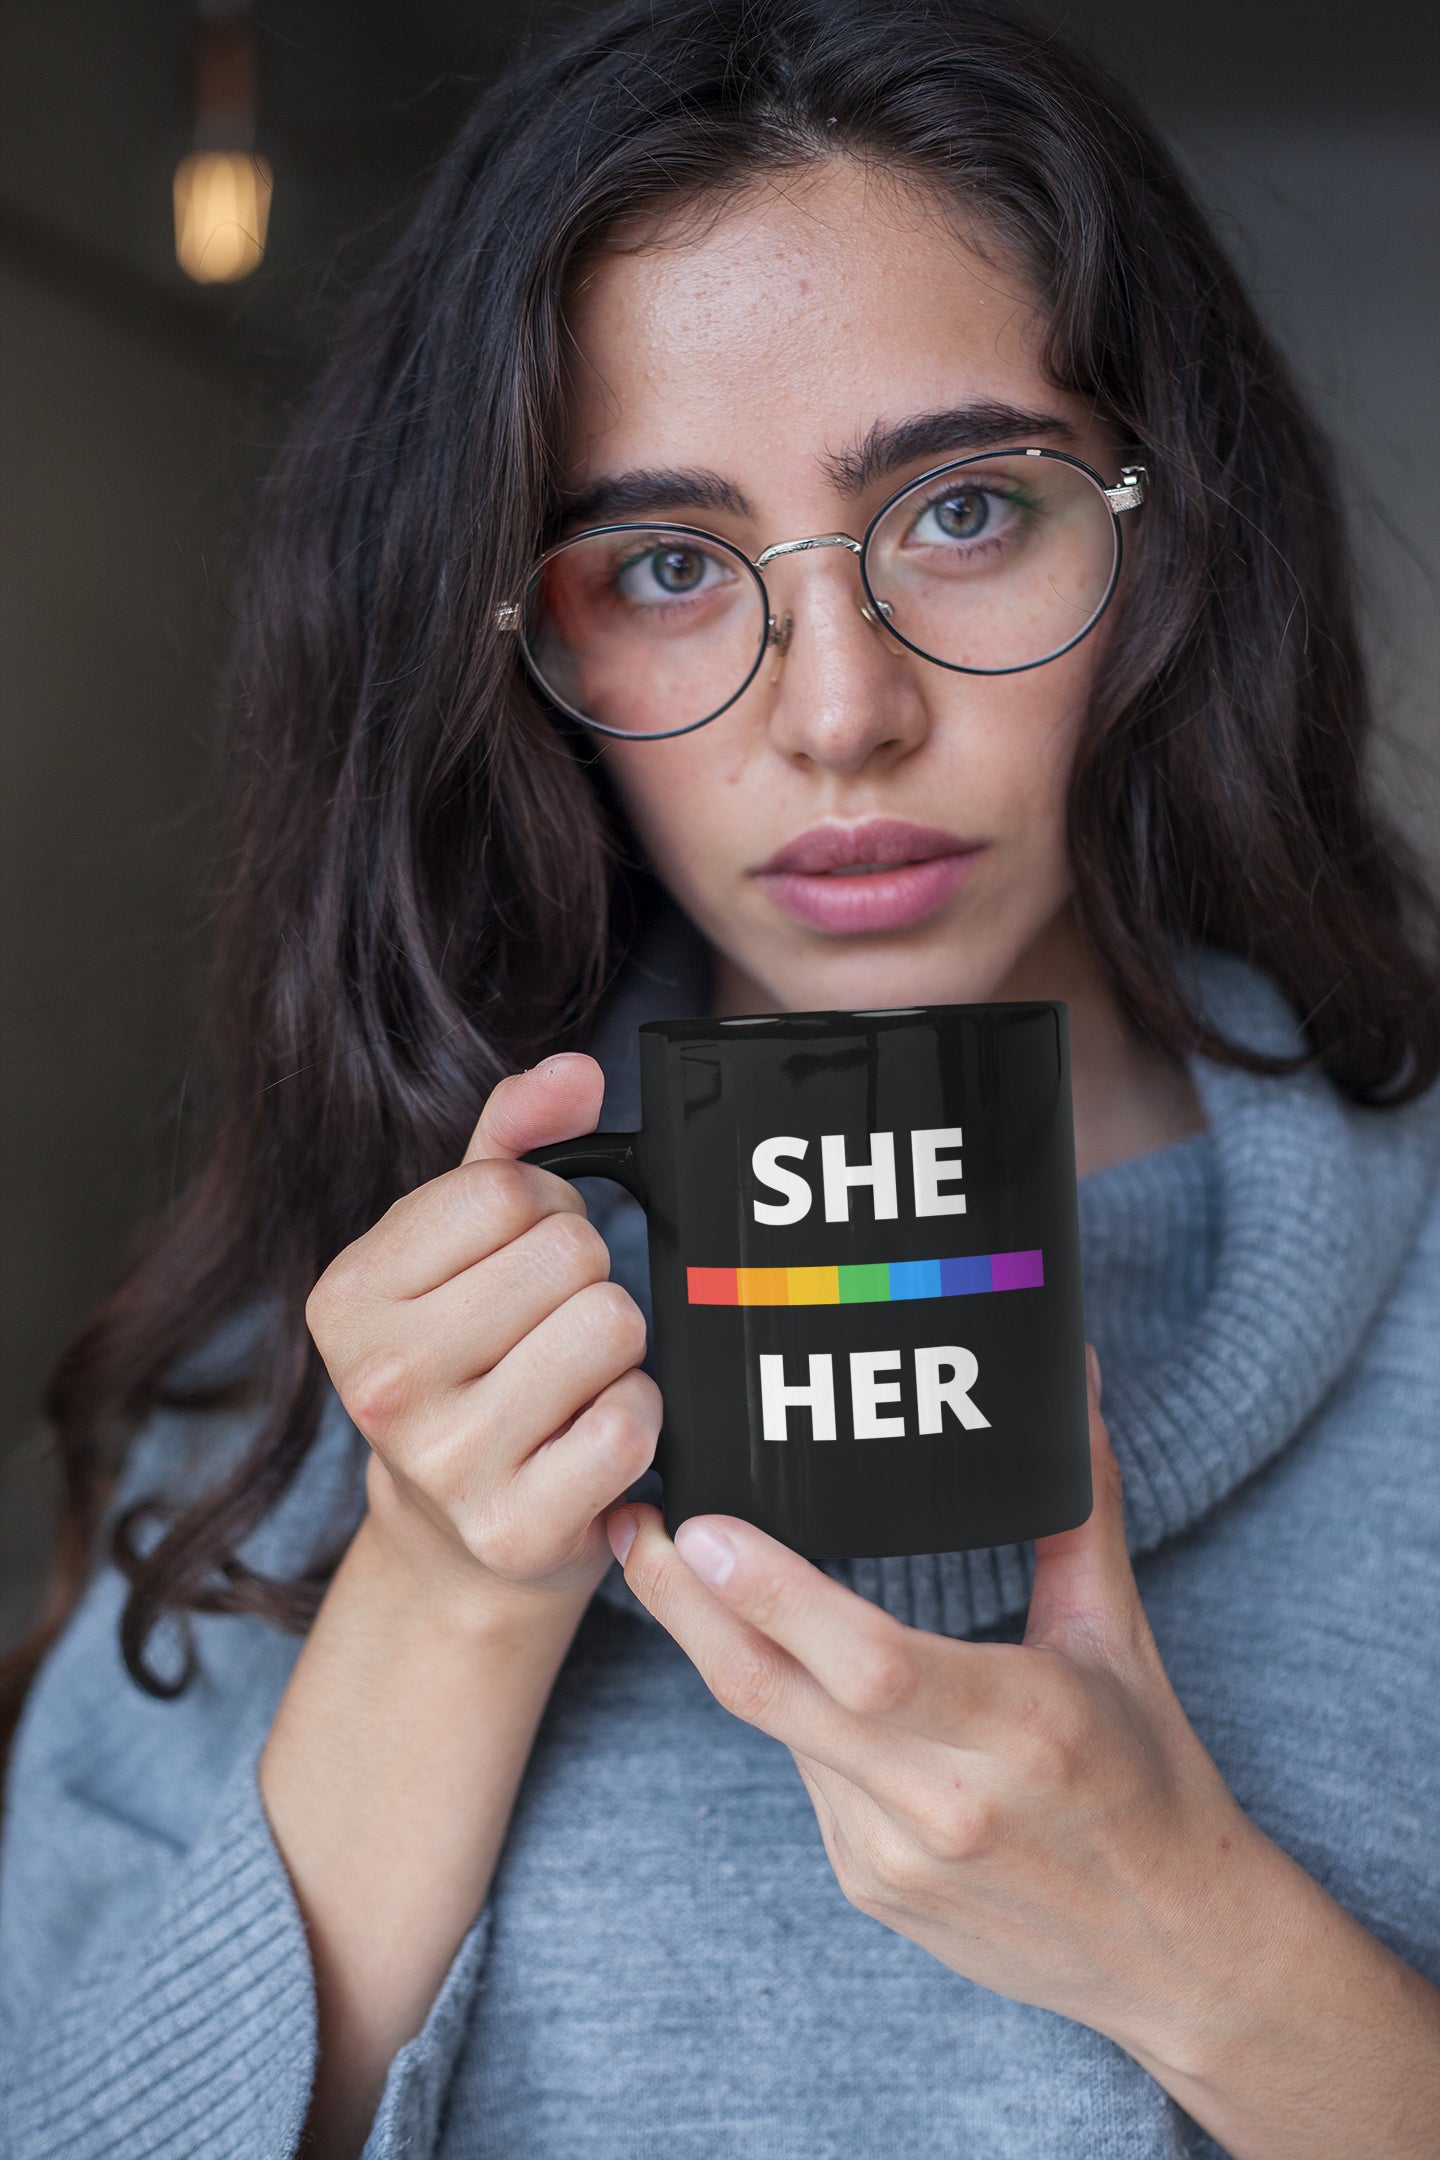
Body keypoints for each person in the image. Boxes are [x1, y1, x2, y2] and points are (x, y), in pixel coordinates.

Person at [2, 1, 1438, 2154]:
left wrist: (1206, 1953)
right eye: (666, 569)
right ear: (521, 647)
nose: (839, 711)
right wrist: (441, 1601)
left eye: (965, 512)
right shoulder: (315, 1360)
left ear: (1165, 537)